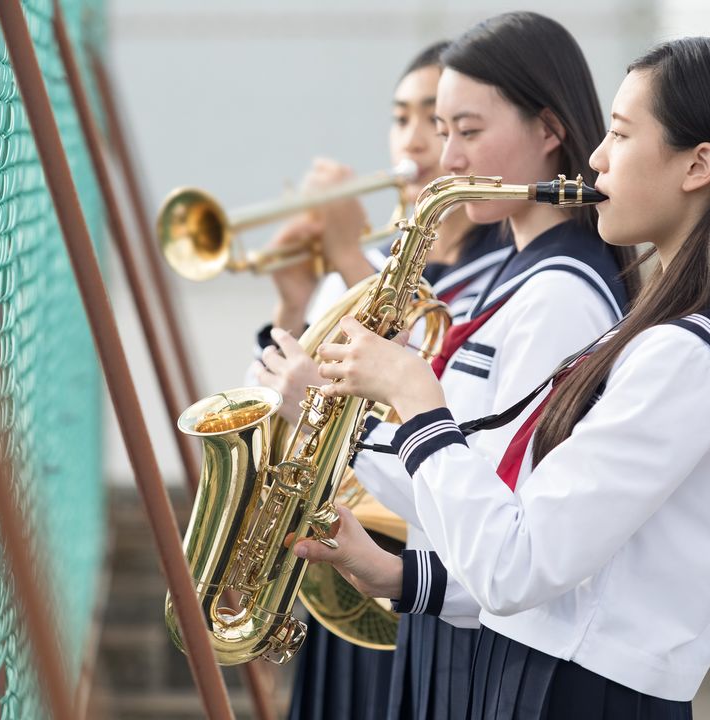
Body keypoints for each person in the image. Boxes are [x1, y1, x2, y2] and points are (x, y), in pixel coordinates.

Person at [299, 36, 710, 719]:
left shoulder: (689, 353)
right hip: (565, 677)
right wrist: (402, 571)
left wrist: (417, 403)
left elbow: (518, 566)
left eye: (620, 135)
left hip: (577, 692)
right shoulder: (695, 324)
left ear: (698, 165)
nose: (596, 158)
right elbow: (547, 548)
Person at [282, 12, 640, 720]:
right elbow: (464, 485)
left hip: (496, 653)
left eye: (467, 132)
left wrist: (344, 426)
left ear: (549, 131)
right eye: (442, 132)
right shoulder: (523, 274)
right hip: (461, 631)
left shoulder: (560, 297)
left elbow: (506, 526)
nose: (445, 159)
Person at [266, 40, 510, 720]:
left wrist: (348, 258)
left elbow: (426, 406)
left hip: (416, 572)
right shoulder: (379, 259)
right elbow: (283, 404)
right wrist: (290, 302)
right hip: (336, 562)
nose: (416, 144)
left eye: (443, 125)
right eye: (402, 119)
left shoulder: (496, 280)